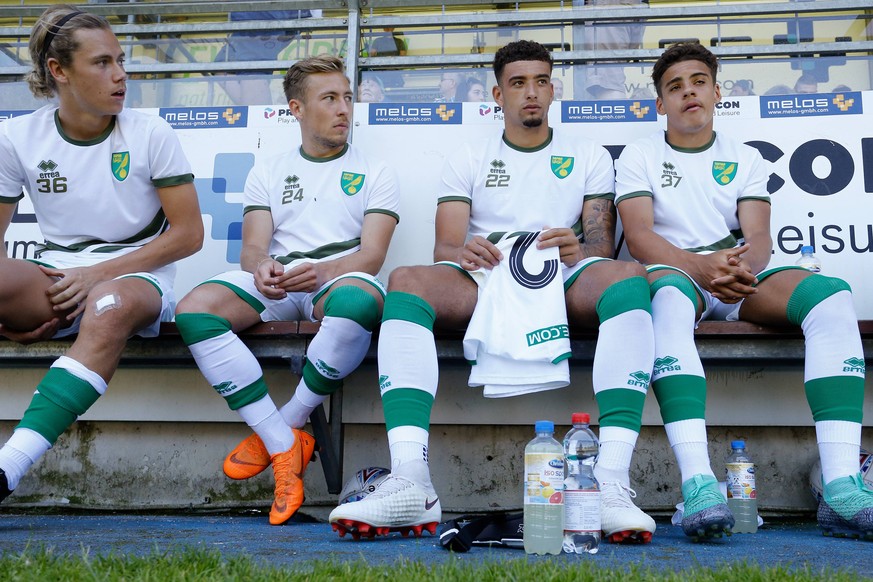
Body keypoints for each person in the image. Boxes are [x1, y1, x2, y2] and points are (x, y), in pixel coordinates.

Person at [329, 39, 658, 544]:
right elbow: (446, 244)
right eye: (519, 83)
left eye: (541, 81)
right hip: (492, 276)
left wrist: (580, 248)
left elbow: (598, 246)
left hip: (560, 275)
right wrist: (464, 254)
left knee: (630, 278)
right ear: (497, 95)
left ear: (554, 90)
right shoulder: (468, 156)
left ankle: (607, 483)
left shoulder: (587, 154)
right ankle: (411, 480)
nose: (532, 93)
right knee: (405, 282)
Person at [615, 42, 871, 541]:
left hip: (736, 275)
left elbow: (758, 238)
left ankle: (841, 486)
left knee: (832, 297)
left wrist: (735, 269)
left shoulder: (744, 157)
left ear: (716, 91)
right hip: (678, 273)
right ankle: (699, 485)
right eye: (674, 87)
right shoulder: (641, 154)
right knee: (663, 301)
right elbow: (641, 236)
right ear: (660, 103)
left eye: (698, 82)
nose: (688, 92)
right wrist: (701, 268)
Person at [174, 55, 399, 526]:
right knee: (195, 310)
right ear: (296, 109)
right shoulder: (269, 170)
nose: (343, 110)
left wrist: (321, 272)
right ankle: (284, 447)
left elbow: (371, 256)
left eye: (347, 98)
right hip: (280, 281)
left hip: (335, 277)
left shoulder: (376, 171)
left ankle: (287, 423)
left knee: (361, 300)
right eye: (329, 98)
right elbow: (252, 250)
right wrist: (262, 269)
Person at [0, 5, 203, 504]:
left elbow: (188, 235)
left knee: (109, 305)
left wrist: (98, 274)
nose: (120, 76)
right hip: (58, 282)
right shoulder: (16, 137)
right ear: (58, 71)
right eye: (102, 63)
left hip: (136, 278)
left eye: (121, 61)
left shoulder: (150, 132)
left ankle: (8, 467)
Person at [216, 10, 316, 105]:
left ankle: (262, 112)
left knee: (252, 65)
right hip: (263, 10)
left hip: (267, 9)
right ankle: (264, 108)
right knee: (221, 64)